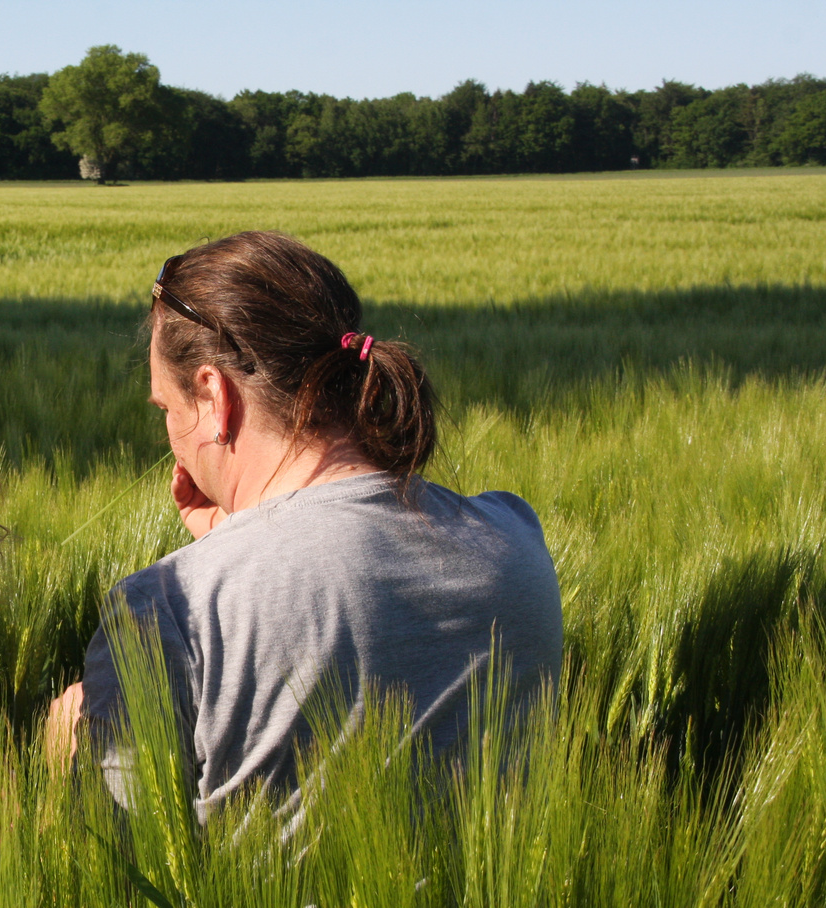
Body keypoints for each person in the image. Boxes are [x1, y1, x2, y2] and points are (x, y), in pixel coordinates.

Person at [52, 231, 563, 821]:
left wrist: (63, 754)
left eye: (166, 409)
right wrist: (236, 541)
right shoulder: (515, 537)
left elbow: (124, 871)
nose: (170, 437)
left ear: (214, 394)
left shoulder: (166, 608)